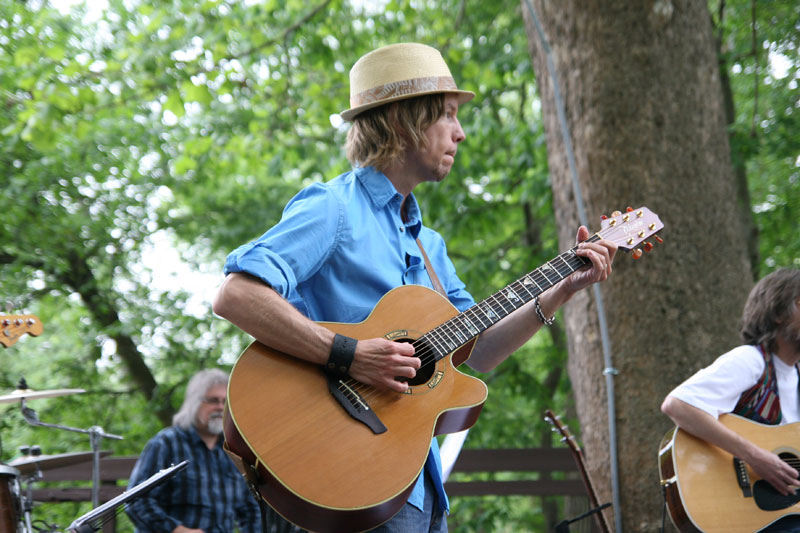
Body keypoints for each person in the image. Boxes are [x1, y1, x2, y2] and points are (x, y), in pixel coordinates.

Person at [212, 42, 617, 532]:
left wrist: (561, 289)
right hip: (343, 468)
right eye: (447, 115)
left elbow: (476, 351)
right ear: (405, 122)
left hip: (415, 483)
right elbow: (236, 294)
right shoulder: (333, 209)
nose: (460, 133)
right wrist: (350, 355)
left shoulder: (430, 246)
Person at [661, 267, 800, 531]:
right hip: (750, 514)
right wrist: (756, 456)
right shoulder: (750, 361)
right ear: (778, 312)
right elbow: (678, 405)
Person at [126, 369, 263, 533]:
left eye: (225, 402)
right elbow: (136, 500)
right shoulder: (166, 443)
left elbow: (250, 511)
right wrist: (178, 530)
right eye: (213, 401)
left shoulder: (232, 452)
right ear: (194, 402)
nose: (220, 407)